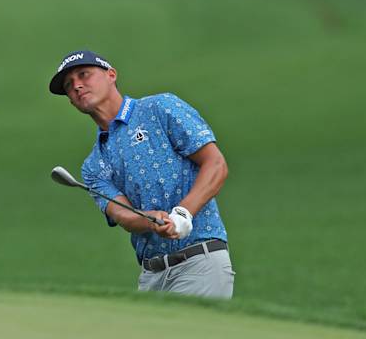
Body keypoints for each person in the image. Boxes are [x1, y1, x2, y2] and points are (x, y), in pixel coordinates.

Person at [49, 50, 235, 299]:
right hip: (151, 278)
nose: (77, 86)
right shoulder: (94, 165)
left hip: (199, 260)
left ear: (111, 75)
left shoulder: (160, 108)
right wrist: (150, 221)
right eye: (69, 86)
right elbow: (122, 214)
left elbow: (215, 164)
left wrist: (183, 213)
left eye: (84, 75)